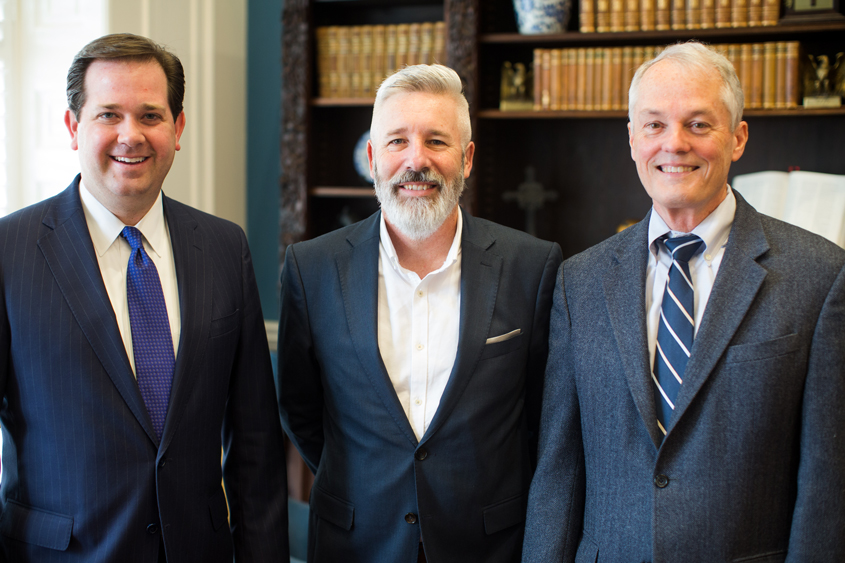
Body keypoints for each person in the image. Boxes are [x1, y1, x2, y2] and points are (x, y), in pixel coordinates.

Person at [523, 41, 845, 562]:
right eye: (654, 125)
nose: (675, 145)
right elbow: (558, 471)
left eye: (699, 124)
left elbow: (827, 484)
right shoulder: (577, 283)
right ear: (632, 140)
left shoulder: (820, 277)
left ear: (738, 137)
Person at [0, 34, 289, 562]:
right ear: (73, 127)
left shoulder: (225, 247)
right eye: (108, 114)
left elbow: (255, 446)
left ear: (178, 129)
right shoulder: (9, 250)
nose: (130, 136)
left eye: (150, 115)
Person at [277, 64, 562, 563]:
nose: (417, 161)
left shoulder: (533, 266)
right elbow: (301, 410)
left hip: (489, 545)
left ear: (467, 158)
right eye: (397, 142)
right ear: (371, 157)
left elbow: (542, 418)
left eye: (437, 141)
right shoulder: (311, 268)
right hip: (356, 541)